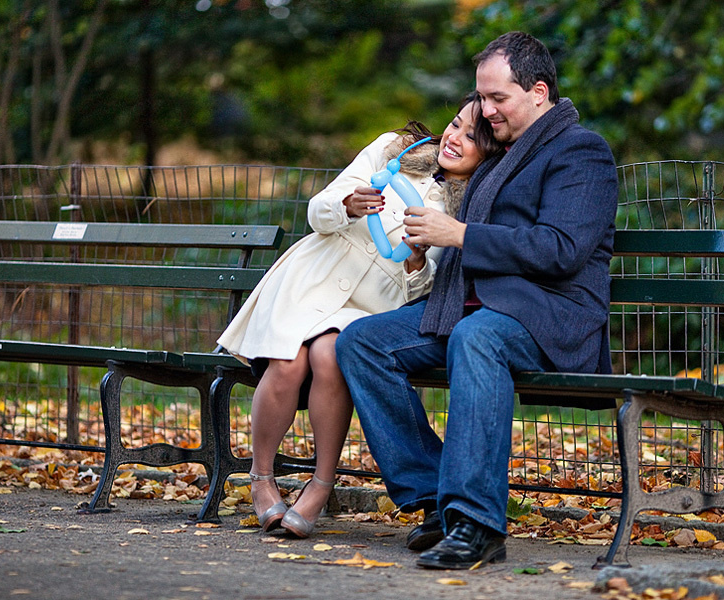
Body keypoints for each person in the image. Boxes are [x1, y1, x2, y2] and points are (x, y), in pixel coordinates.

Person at [335, 31, 619, 569]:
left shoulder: (582, 151)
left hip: (548, 317)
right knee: (361, 343)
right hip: (471, 308)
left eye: (497, 99)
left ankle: (477, 523)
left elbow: (561, 250)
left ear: (538, 91)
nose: (485, 111)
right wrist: (427, 245)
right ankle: (434, 502)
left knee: (478, 337)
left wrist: (459, 234)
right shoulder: (501, 155)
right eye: (480, 97)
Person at [216, 92, 503, 538]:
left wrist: (415, 261)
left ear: (489, 152)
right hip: (314, 278)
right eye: (454, 124)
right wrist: (347, 205)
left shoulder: (468, 204)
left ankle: (319, 485)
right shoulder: (393, 151)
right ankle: (261, 477)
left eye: (472, 137)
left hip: (370, 302)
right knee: (288, 361)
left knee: (332, 355)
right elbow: (317, 212)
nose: (454, 138)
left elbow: (427, 286)